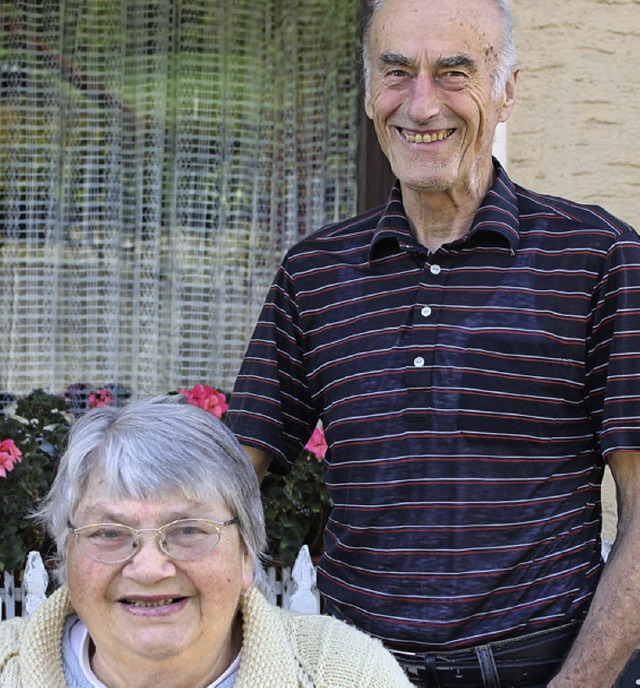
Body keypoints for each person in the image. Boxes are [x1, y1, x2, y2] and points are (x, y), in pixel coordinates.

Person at [225, 0, 640, 686]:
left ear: (506, 90)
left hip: (543, 669)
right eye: (396, 72)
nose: (421, 105)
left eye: (454, 73)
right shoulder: (315, 272)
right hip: (355, 673)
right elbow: (228, 479)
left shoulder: (600, 259)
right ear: (367, 91)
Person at [0, 395, 411, 687]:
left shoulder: (348, 673)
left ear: (247, 552)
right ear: (64, 554)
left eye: (188, 530)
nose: (148, 569)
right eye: (109, 533)